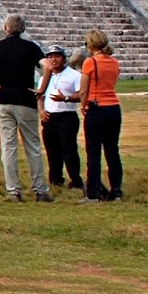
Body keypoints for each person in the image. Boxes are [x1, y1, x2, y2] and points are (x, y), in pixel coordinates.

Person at [0, 14, 51, 202]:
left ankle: (13, 190)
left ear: (6, 28)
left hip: (3, 99)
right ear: (23, 29)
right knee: (32, 146)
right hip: (25, 99)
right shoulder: (30, 47)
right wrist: (41, 89)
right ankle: (40, 190)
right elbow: (47, 67)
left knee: (8, 146)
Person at [80, 28, 123, 202]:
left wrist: (84, 106)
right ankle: (116, 190)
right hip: (113, 107)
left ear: (90, 44)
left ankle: (93, 193)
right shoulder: (114, 62)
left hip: (96, 107)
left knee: (94, 153)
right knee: (112, 151)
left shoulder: (90, 62)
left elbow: (84, 90)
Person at [38, 44, 84, 192]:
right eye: (50, 57)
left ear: (63, 59)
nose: (53, 60)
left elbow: (81, 95)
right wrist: (41, 110)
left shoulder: (74, 75)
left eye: (57, 56)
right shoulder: (44, 77)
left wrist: (65, 98)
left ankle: (75, 180)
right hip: (49, 116)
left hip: (66, 116)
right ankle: (56, 179)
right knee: (52, 150)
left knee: (69, 149)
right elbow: (40, 95)